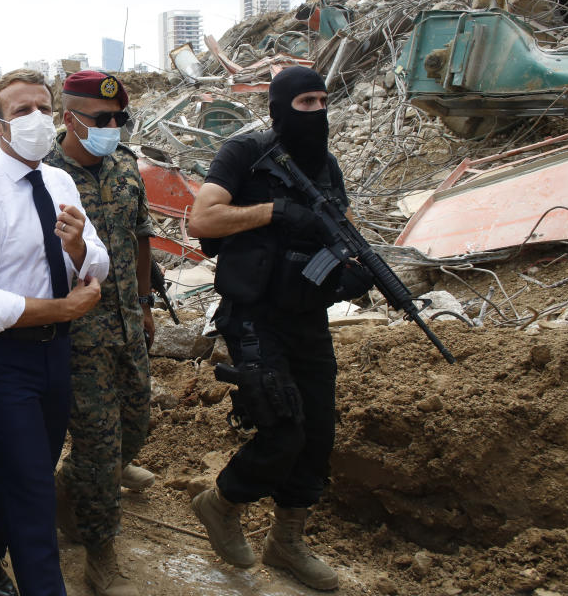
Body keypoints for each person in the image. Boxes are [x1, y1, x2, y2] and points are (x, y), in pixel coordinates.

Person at [187, 66, 368, 591]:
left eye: (322, 101)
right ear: (281, 106)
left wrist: (351, 269)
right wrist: (274, 211)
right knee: (282, 427)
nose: (317, 111)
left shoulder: (326, 165)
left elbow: (339, 224)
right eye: (305, 102)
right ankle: (222, 503)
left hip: (307, 316)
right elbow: (202, 220)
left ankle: (287, 541)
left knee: (317, 435)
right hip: (253, 317)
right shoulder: (244, 153)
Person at [0, 69, 109, 596]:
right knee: (36, 491)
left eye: (45, 108)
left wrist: (80, 248)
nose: (38, 119)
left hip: (55, 354)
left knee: (29, 472)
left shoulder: (61, 182)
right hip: (0, 360)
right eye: (22, 111)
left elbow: (98, 261)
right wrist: (65, 308)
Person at [43, 71, 155, 596]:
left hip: (128, 325)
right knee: (97, 445)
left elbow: (140, 237)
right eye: (101, 119)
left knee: (135, 426)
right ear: (69, 119)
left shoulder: (126, 167)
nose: (112, 127)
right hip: (78, 335)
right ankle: (100, 549)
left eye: (119, 119)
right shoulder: (42, 178)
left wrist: (146, 304)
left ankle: (69, 490)